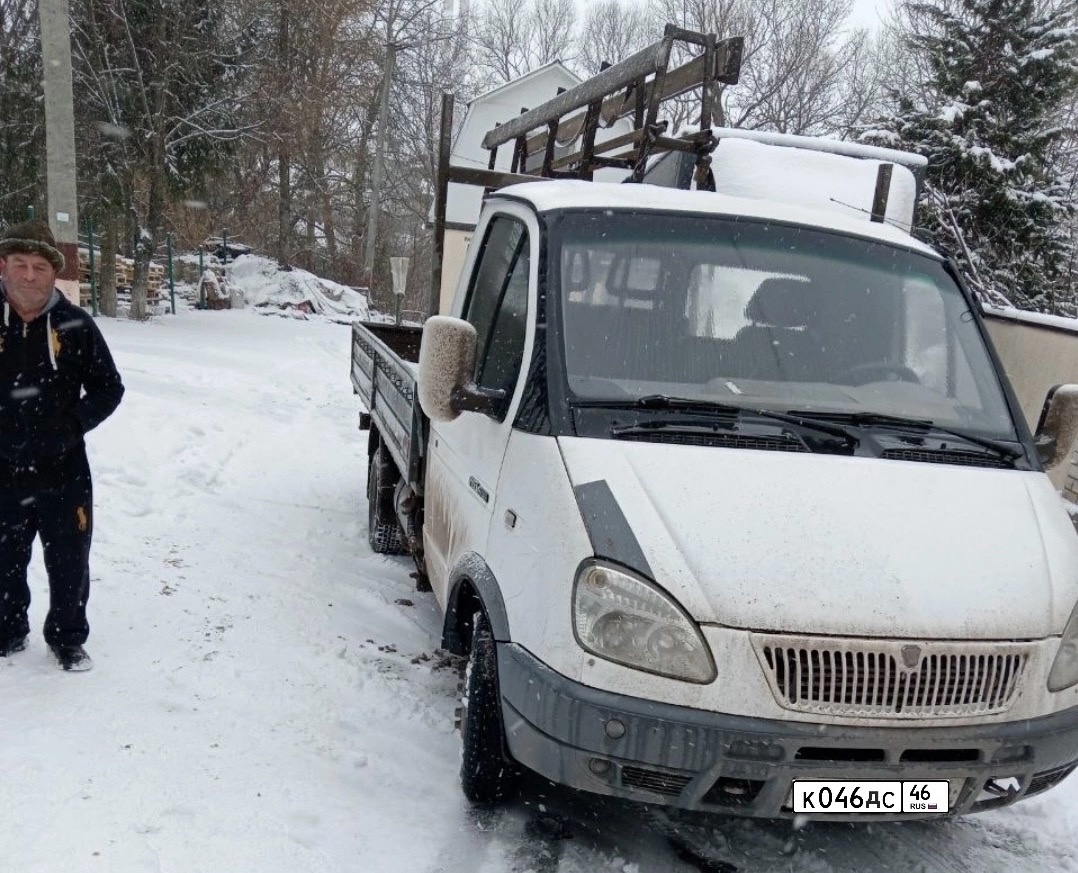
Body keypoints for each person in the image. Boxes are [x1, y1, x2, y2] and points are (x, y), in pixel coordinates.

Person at [0, 218, 124, 671]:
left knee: (69, 558)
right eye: (20, 264)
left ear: (53, 273)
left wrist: (70, 426)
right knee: (4, 556)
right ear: (4, 265)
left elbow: (110, 388)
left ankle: (68, 636)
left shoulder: (75, 325)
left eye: (38, 266)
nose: (29, 275)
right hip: (2, 469)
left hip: (63, 470)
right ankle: (7, 630)